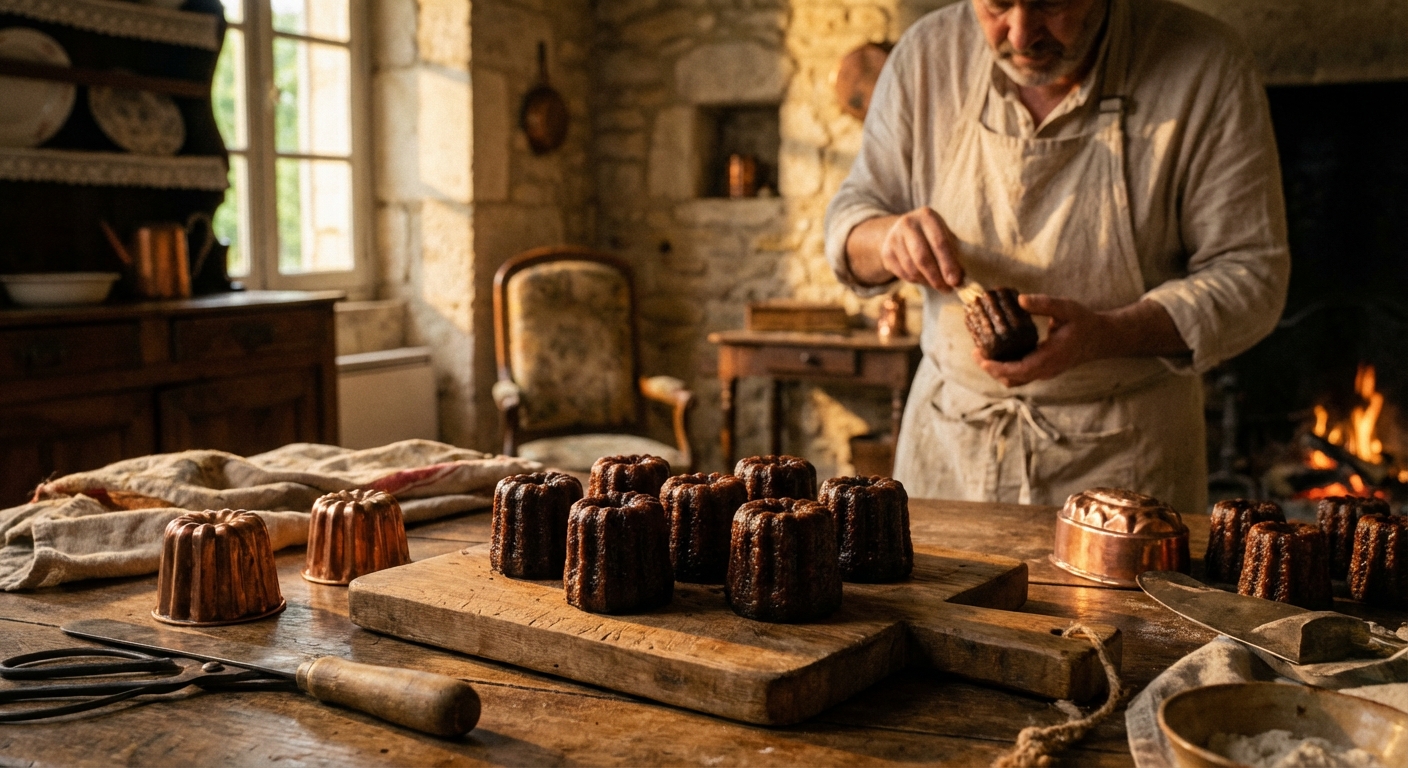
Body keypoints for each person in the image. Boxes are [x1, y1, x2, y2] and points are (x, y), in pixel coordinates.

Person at [824, 0, 1289, 514]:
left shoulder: (1204, 64)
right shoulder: (926, 55)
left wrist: (1111, 334)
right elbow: (851, 221)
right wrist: (887, 238)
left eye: (1051, 3)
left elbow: (1252, 274)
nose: (1021, 35)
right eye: (998, 4)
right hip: (950, 453)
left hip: (1125, 466)